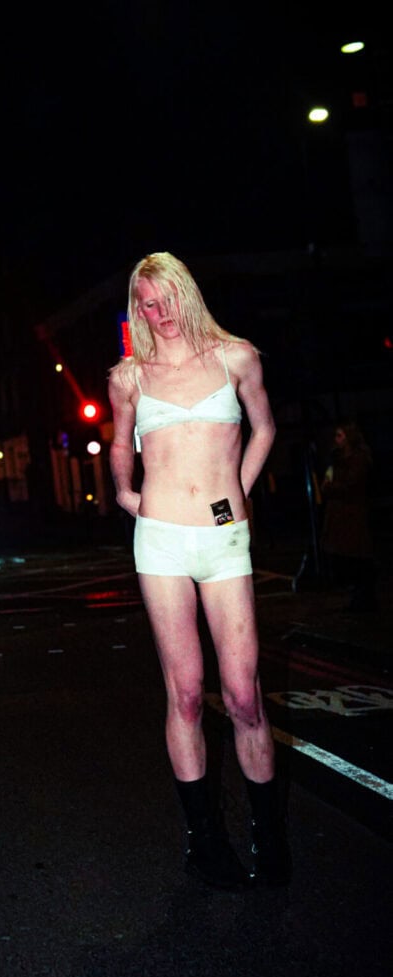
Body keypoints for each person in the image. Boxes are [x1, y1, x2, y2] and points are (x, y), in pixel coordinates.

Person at [108, 252, 290, 888]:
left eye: (165, 299)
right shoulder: (129, 375)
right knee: (184, 693)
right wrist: (129, 495)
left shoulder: (236, 356)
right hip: (159, 544)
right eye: (145, 304)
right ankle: (204, 846)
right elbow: (118, 440)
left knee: (243, 696)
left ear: (186, 293)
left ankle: (271, 845)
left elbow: (263, 429)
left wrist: (232, 498)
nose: (157, 313)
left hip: (222, 542)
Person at [320, 420, 377, 611]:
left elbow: (352, 485)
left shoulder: (358, 459)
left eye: (340, 435)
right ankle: (357, 595)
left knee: (357, 555)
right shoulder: (337, 458)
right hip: (340, 513)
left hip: (352, 512)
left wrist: (331, 487)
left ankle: (364, 597)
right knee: (345, 555)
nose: (336, 440)